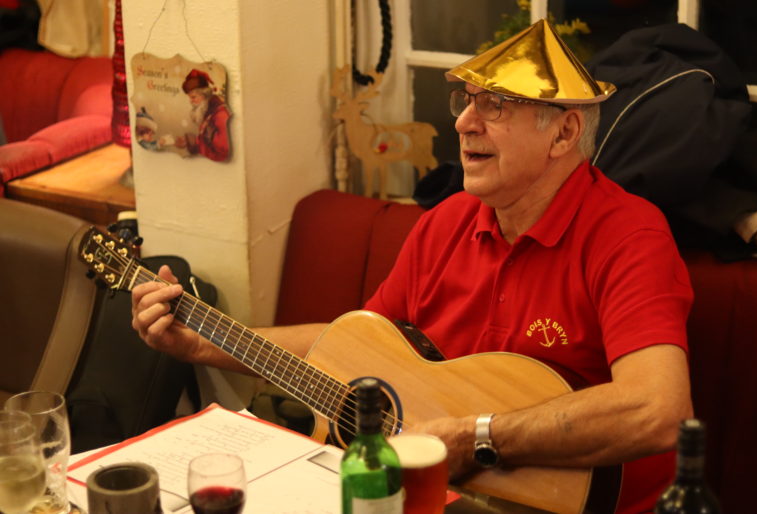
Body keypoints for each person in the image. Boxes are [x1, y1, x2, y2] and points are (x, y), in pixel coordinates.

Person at [132, 20, 693, 513]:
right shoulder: (447, 222)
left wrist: (477, 438)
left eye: (494, 106)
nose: (464, 123)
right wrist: (202, 342)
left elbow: (658, 409)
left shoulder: (628, 235)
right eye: (466, 101)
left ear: (565, 133)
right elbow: (349, 350)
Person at [175, 68, 231, 162]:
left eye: (193, 97)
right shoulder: (206, 112)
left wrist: (196, 143)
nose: (191, 101)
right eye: (190, 98)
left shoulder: (219, 114)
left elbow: (222, 151)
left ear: (204, 95)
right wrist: (190, 141)